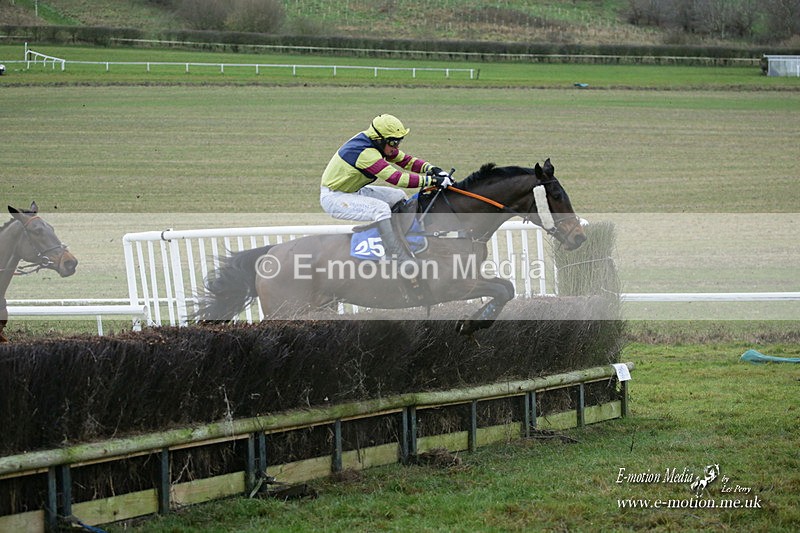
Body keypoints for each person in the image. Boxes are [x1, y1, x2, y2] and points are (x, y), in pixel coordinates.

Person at [320, 114, 452, 263]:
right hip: (335, 198)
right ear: (380, 139)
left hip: (352, 191)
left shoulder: (377, 143)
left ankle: (405, 239)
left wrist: (433, 169)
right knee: (381, 209)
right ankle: (397, 254)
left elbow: (405, 160)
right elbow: (397, 178)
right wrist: (433, 180)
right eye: (393, 142)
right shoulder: (365, 153)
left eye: (399, 141)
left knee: (398, 196)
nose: (397, 146)